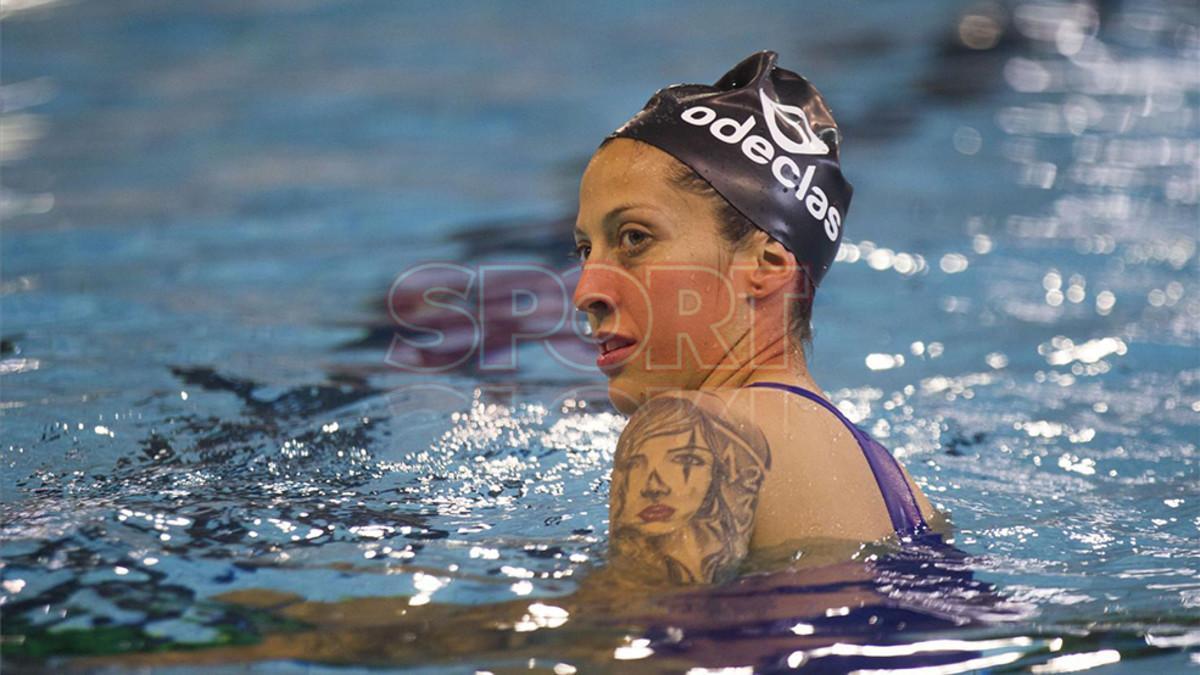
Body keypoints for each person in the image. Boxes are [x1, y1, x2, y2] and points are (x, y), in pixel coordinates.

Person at [573, 50, 939, 585]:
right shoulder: (902, 490)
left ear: (765, 266)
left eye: (634, 238)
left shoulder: (690, 430)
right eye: (585, 250)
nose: (586, 292)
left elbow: (627, 625)